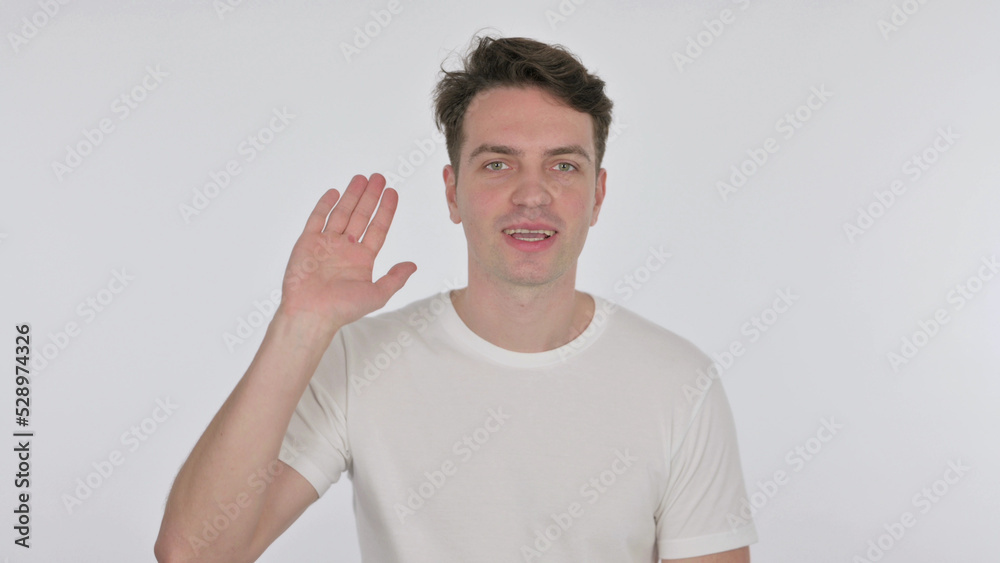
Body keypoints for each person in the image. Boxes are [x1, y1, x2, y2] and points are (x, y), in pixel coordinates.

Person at [154, 34, 758, 563]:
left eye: (563, 167)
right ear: (452, 192)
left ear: (598, 196)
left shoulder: (678, 384)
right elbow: (193, 554)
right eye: (497, 164)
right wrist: (299, 327)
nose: (532, 194)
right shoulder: (360, 361)